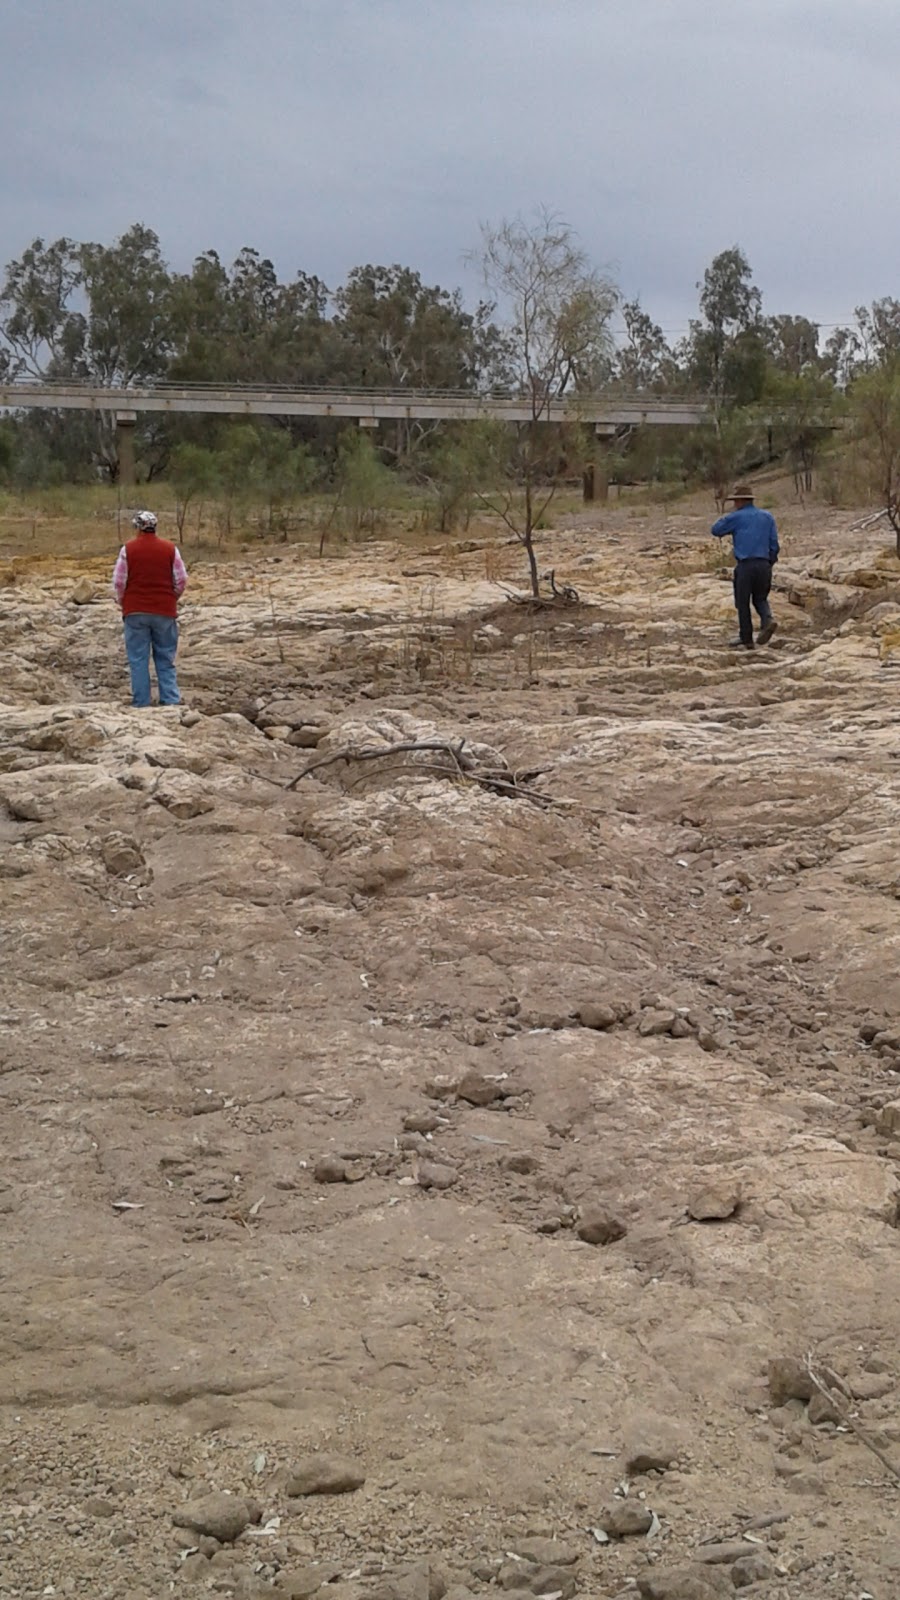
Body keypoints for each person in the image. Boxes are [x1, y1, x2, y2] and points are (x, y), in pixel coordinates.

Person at [112, 511, 187, 706]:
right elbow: (181, 579)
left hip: (135, 611)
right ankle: (170, 700)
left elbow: (119, 582)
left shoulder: (128, 549)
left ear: (137, 528)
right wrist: (171, 598)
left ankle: (141, 703)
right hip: (164, 611)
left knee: (138, 659)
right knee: (165, 658)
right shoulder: (170, 549)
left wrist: (124, 603)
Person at [711, 484, 779, 650]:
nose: (734, 504)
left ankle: (746, 638)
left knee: (742, 602)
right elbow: (774, 545)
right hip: (764, 564)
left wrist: (727, 518)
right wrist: (770, 561)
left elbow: (716, 530)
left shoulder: (736, 517)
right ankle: (767, 619)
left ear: (740, 501)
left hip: (745, 565)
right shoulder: (767, 516)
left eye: (735, 501)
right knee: (760, 598)